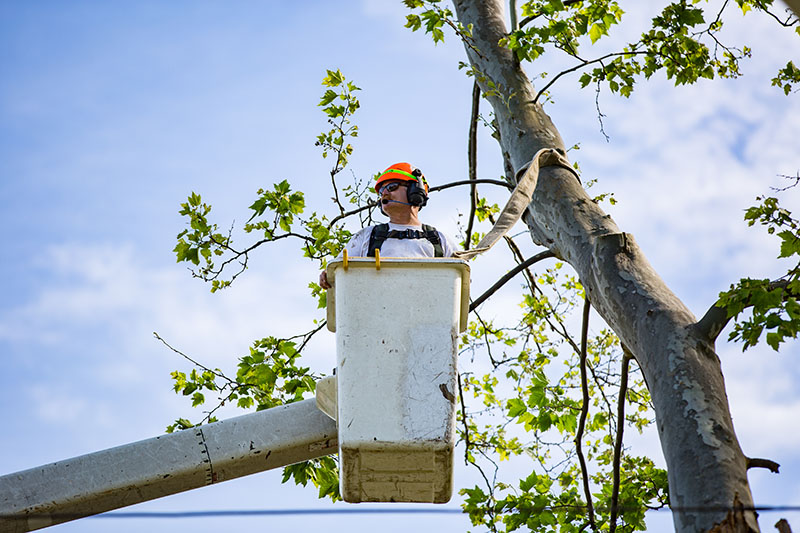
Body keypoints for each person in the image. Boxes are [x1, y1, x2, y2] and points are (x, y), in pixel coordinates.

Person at [319, 162, 456, 289]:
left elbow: (459, 279)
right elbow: (339, 271)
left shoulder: (438, 240)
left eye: (392, 187)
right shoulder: (367, 236)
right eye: (381, 191)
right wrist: (327, 274)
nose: (384, 193)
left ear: (415, 190)